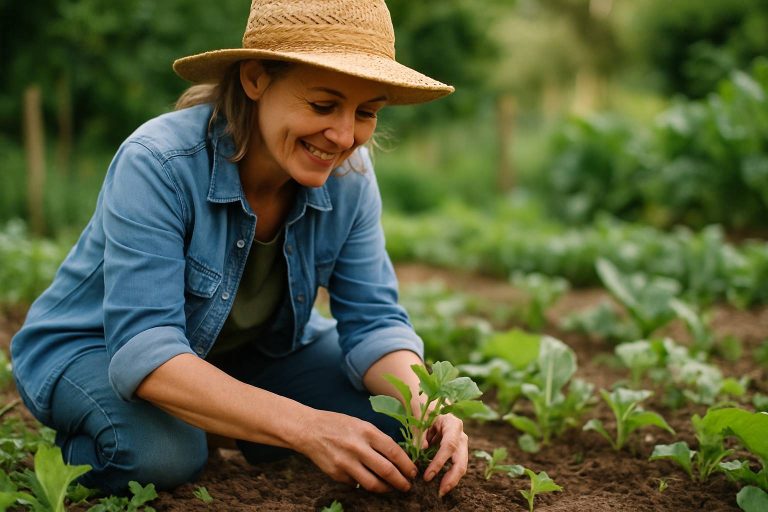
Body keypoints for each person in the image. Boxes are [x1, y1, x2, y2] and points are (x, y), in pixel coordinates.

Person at [10, 0, 468, 499]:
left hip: (251, 353)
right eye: (322, 105)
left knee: (393, 428)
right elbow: (145, 349)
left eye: (366, 113)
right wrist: (305, 426)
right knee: (162, 455)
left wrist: (429, 406)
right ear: (255, 79)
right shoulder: (159, 163)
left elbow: (375, 321)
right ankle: (129, 438)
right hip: (94, 347)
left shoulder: (350, 179)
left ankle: (221, 415)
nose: (343, 136)